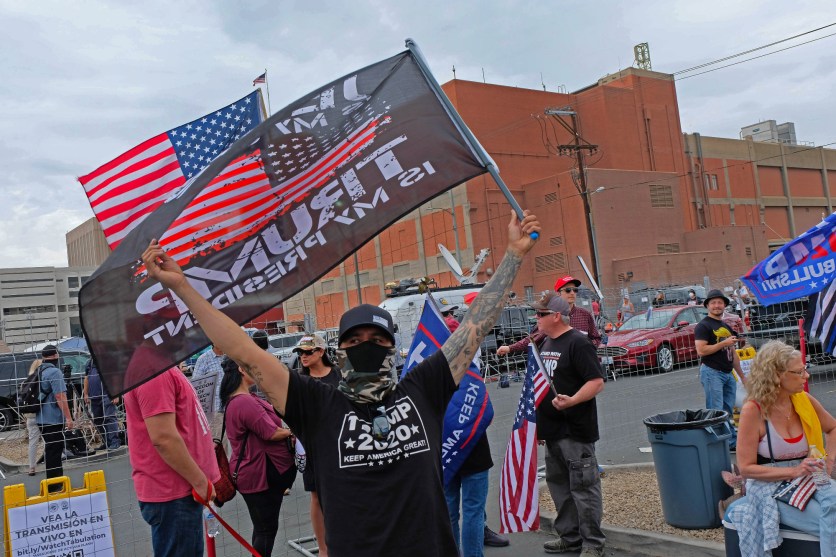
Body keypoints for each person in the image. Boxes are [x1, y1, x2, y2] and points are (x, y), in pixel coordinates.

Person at [140, 210, 540, 557]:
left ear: (393, 347)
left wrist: (513, 256)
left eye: (379, 341)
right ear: (340, 351)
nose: (367, 348)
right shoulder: (317, 406)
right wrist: (181, 287)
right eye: (354, 342)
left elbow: (477, 322)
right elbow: (242, 349)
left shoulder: (423, 389)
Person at [729, 340, 836, 556]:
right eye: (799, 371)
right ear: (776, 375)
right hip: (770, 486)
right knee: (831, 519)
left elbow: (833, 428)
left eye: (805, 369)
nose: (806, 376)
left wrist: (830, 462)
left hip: (809, 477)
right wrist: (794, 471)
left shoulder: (803, 400)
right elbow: (747, 468)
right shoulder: (754, 410)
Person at [535, 293, 606, 557]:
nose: (537, 318)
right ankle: (570, 536)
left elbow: (596, 382)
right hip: (553, 431)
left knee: (584, 489)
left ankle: (592, 544)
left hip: (575, 431)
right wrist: (539, 428)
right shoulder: (546, 342)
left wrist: (573, 400)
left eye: (541, 314)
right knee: (560, 487)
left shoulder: (578, 342)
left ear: (556, 316)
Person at [124, 366, 220, 556]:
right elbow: (164, 438)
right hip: (175, 494)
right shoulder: (153, 371)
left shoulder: (160, 368)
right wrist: (200, 481)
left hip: (180, 492)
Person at [220, 356, 297, 557]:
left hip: (256, 474)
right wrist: (291, 432)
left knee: (264, 529)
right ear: (241, 370)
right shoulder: (244, 402)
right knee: (265, 530)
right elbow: (270, 432)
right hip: (259, 475)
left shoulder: (241, 400)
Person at [295, 333, 340, 557]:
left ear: (321, 352)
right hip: (311, 444)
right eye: (300, 353)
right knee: (316, 495)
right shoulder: (298, 380)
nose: (303, 356)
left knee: (346, 490)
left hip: (343, 442)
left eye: (308, 351)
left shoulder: (340, 375)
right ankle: (323, 548)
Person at [496, 275, 601, 359]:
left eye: (575, 290)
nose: (572, 293)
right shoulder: (550, 316)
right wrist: (510, 348)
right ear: (558, 293)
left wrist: (586, 350)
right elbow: (533, 338)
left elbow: (596, 338)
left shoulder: (585, 315)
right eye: (568, 290)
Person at [695, 289, 744, 449]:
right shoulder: (703, 326)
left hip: (727, 373)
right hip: (711, 372)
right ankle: (723, 443)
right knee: (716, 410)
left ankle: (729, 442)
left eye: (720, 303)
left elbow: (733, 353)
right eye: (713, 303)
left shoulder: (725, 326)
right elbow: (701, 350)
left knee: (727, 410)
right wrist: (723, 343)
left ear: (724, 305)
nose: (717, 306)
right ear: (707, 305)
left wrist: (742, 376)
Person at [35, 345, 74, 491]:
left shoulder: (39, 370)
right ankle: (55, 485)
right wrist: (69, 418)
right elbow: (60, 396)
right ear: (55, 355)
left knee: (51, 450)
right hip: (53, 418)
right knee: (54, 452)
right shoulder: (54, 372)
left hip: (41, 418)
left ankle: (53, 483)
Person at [83, 360, 121, 451]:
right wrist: (86, 394)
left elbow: (115, 377)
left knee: (109, 418)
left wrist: (115, 393)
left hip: (107, 395)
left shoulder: (108, 360)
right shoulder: (89, 362)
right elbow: (86, 378)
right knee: (98, 420)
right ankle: (106, 442)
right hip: (95, 396)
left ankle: (114, 442)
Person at [192, 344, 225, 434]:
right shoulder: (204, 359)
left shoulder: (231, 356)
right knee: (216, 441)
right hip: (214, 410)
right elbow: (196, 385)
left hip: (231, 406)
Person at [25, 358, 43, 476]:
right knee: (48, 439)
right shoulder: (41, 379)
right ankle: (52, 461)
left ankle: (32, 467)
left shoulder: (26, 381)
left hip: (30, 415)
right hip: (42, 413)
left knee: (33, 442)